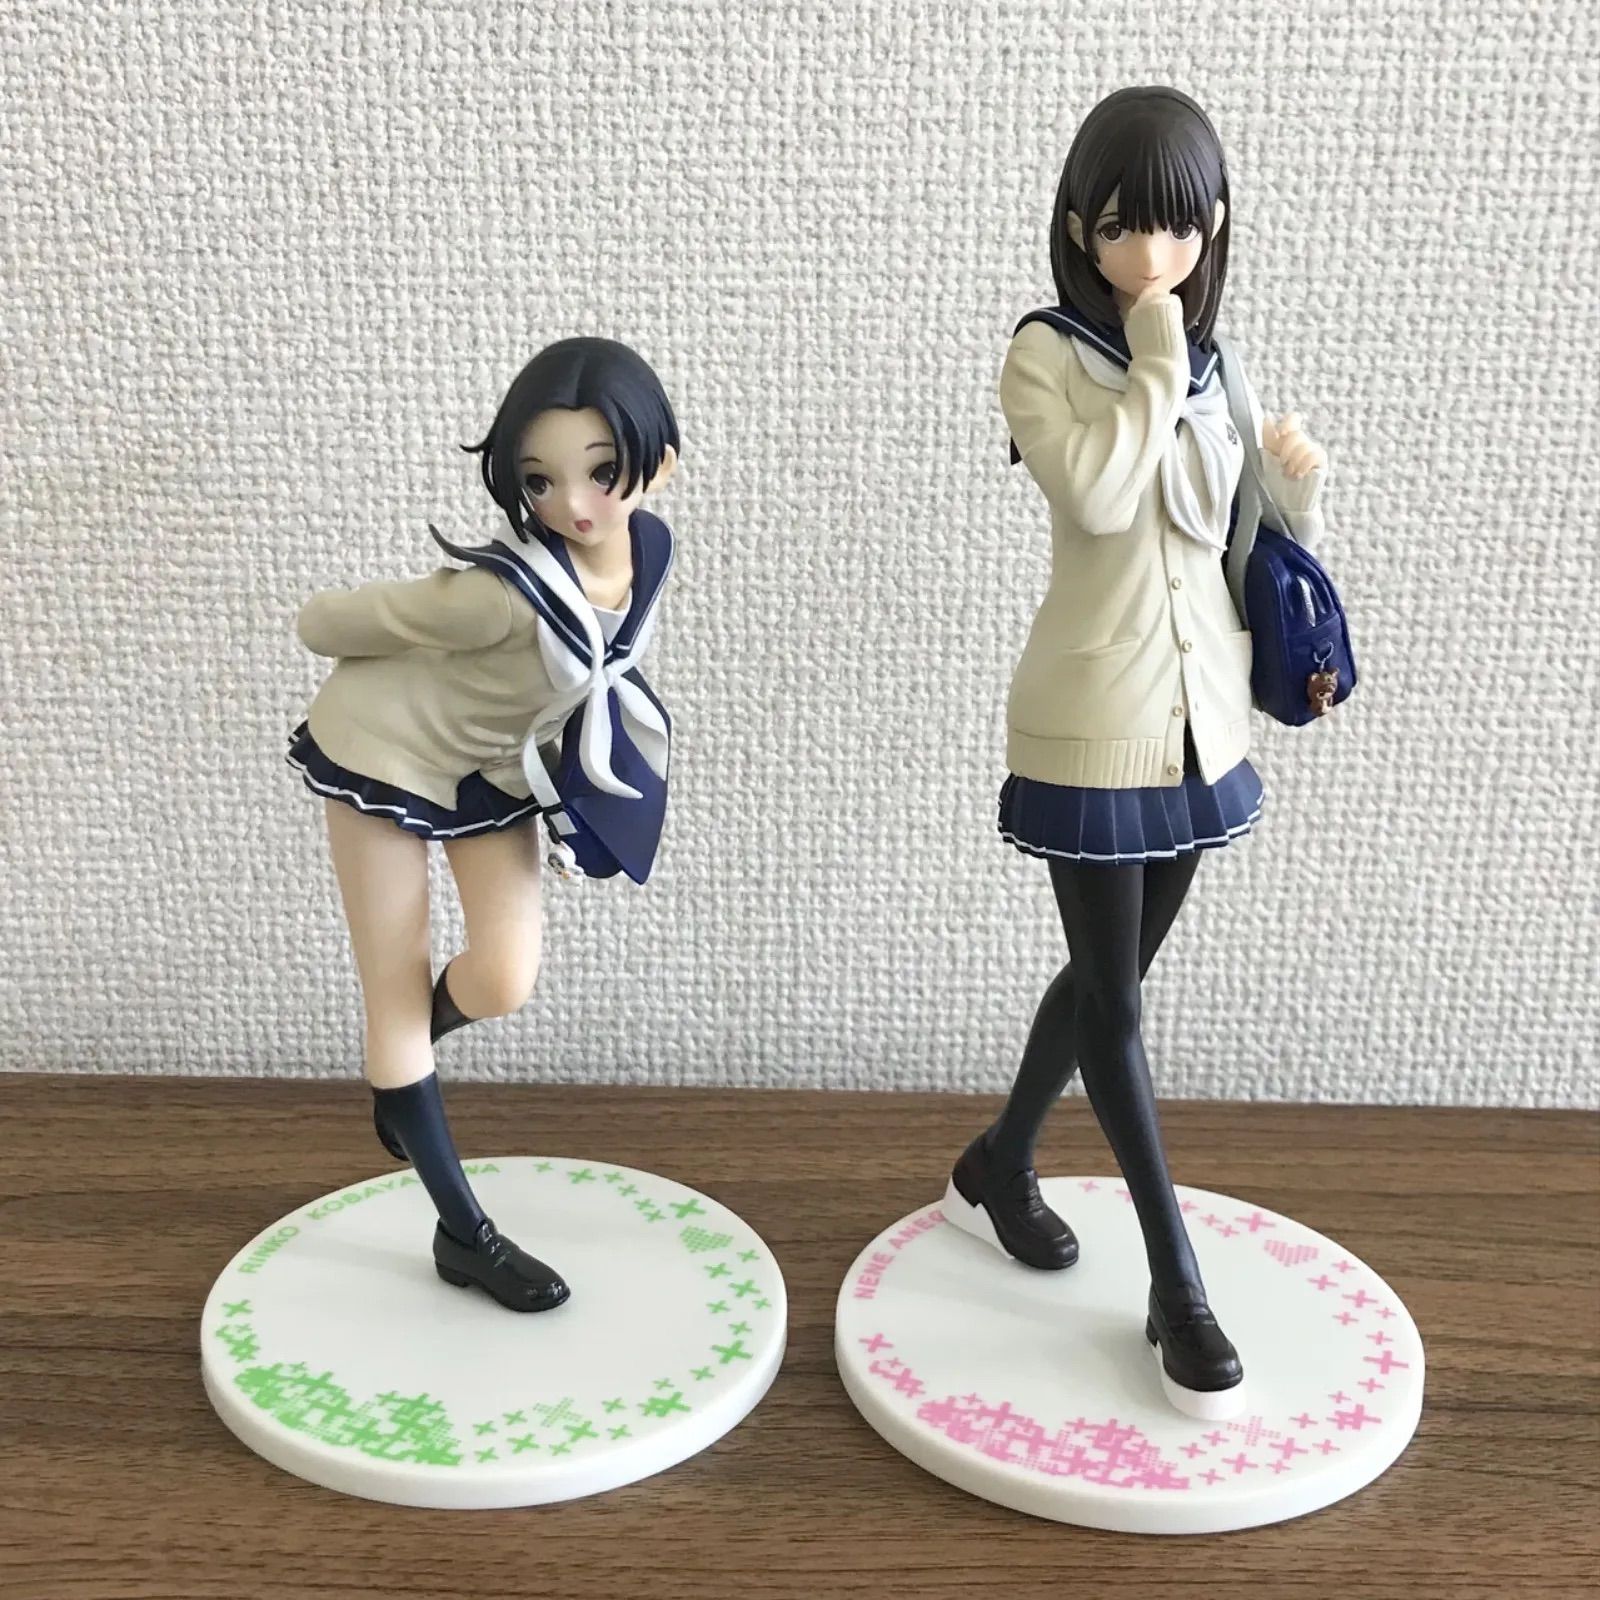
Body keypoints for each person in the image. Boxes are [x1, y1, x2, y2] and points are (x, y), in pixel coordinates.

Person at [944, 88, 1328, 1419]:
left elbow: (1233, 540)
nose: (1152, 252)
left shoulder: (1222, 365)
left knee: (1111, 979)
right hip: (1092, 710)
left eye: (1177, 226)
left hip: (1200, 716)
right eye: (1123, 227)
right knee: (1116, 1005)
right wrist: (1156, 354)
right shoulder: (1045, 355)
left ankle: (998, 1161)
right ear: (1079, 230)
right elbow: (1102, 496)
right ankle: (1177, 1286)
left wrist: (1294, 486)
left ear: (1212, 224)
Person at [290, 337, 680, 1312]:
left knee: (505, 975)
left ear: (659, 464)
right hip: (381, 757)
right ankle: (463, 1232)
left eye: (601, 473)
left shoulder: (652, 552)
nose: (573, 503)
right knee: (394, 985)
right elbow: (326, 622)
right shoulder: (491, 597)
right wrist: (401, 643)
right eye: (540, 480)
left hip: (489, 775)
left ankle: (402, 1071)